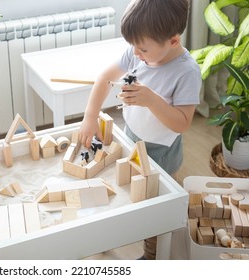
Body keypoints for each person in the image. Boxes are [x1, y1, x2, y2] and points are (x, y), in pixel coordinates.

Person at [79, 0, 202, 260]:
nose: (136, 54)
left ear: (173, 40)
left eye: (143, 48)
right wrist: (90, 116)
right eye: (134, 46)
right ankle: (111, 235)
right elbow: (104, 78)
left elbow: (182, 123)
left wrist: (151, 99)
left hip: (161, 151)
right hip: (131, 135)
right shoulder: (138, 51)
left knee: (155, 207)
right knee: (124, 189)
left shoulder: (187, 72)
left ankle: (151, 254)